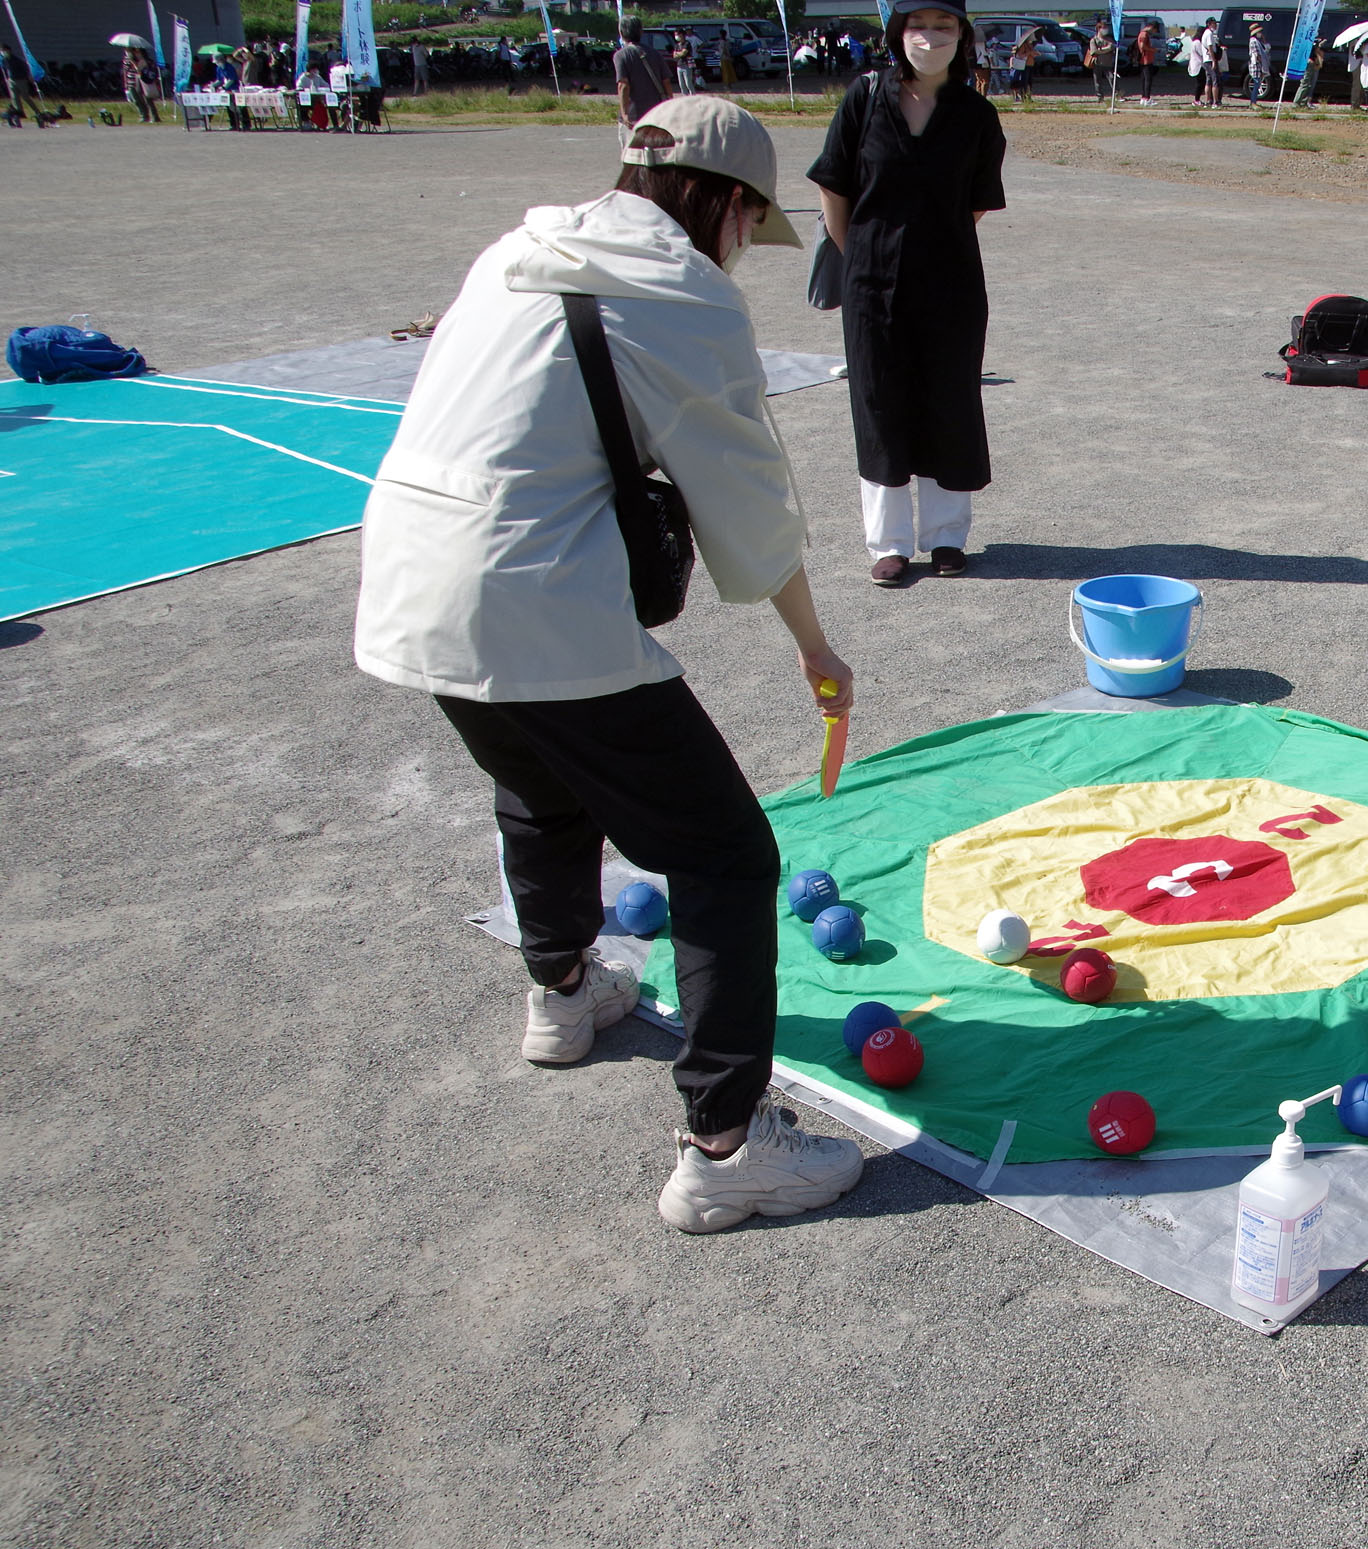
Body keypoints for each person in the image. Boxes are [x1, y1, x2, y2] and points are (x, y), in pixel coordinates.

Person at [353, 97, 863, 1234]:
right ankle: (727, 1148)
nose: (745, 251)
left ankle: (565, 994)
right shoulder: (682, 292)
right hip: (533, 595)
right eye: (750, 226)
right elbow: (749, 502)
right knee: (726, 856)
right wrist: (815, 647)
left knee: (540, 784)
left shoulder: (515, 251)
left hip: (410, 579)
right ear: (727, 203)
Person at [810, 2, 1006, 587]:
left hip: (950, 278)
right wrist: (859, 257)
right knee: (879, 402)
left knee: (949, 399)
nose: (930, 37)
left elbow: (975, 200)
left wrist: (929, 246)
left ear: (962, 36)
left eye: (943, 26)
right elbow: (834, 184)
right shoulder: (864, 98)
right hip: (870, 280)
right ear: (899, 34)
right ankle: (890, 542)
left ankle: (947, 537)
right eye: (918, 26)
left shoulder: (975, 114)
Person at [615, 18, 672, 138]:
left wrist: (625, 114)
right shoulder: (655, 53)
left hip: (633, 115)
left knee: (632, 154)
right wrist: (669, 106)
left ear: (621, 32)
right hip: (656, 114)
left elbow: (623, 85)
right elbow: (666, 82)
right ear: (641, 32)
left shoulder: (621, 55)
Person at [123, 47, 159, 123]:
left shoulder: (144, 59)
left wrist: (135, 61)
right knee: (136, 100)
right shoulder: (127, 59)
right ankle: (144, 115)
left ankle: (155, 116)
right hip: (131, 81)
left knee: (147, 99)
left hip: (143, 80)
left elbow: (142, 68)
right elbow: (125, 71)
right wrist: (125, 83)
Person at [1088, 23, 1117, 106]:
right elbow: (1094, 51)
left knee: (1112, 78)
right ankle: (1100, 97)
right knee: (1098, 81)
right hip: (1097, 63)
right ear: (1098, 29)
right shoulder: (1094, 40)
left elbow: (1113, 48)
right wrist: (1107, 49)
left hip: (1108, 63)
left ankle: (1117, 94)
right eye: (1104, 28)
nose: (1106, 30)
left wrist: (1102, 50)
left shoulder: (1109, 39)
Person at [1247, 21, 1272, 105]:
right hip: (1256, 65)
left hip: (1258, 65)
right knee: (1256, 83)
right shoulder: (1253, 41)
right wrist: (1262, 63)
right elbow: (1256, 54)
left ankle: (1254, 101)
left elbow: (1267, 48)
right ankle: (1253, 102)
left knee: (1257, 83)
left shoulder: (1258, 41)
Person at [1134, 21, 1158, 103]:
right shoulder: (1144, 34)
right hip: (1146, 60)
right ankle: (1147, 98)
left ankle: (1144, 97)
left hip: (1144, 60)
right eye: (1155, 30)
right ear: (1152, 27)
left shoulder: (1142, 34)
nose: (1154, 33)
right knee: (1148, 79)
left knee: (1144, 79)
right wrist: (1153, 50)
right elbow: (1142, 46)